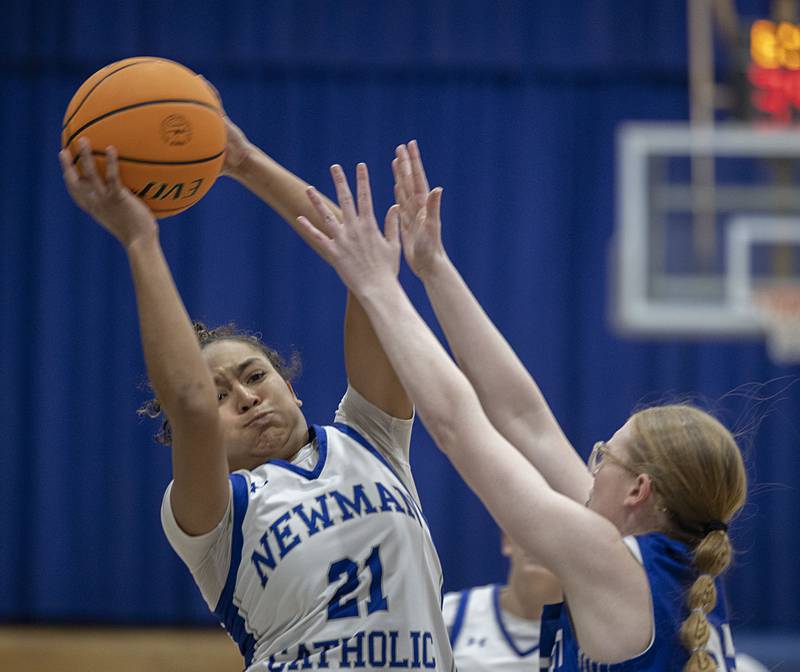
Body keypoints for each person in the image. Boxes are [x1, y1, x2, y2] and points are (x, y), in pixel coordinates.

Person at [292, 143, 747, 672]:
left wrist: (377, 288)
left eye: (604, 456)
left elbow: (458, 426)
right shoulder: (670, 572)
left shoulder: (612, 562)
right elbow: (525, 420)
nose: (590, 469)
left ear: (638, 489)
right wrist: (434, 268)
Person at [58, 119, 455, 670]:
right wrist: (140, 240)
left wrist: (244, 162)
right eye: (221, 396)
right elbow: (189, 405)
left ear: (290, 387)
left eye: (255, 376)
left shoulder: (373, 439)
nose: (245, 398)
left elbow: (365, 271)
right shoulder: (216, 517)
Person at [442, 532, 561, 670]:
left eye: (555, 537)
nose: (538, 545)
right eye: (532, 531)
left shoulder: (579, 635)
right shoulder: (450, 613)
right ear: (507, 540)